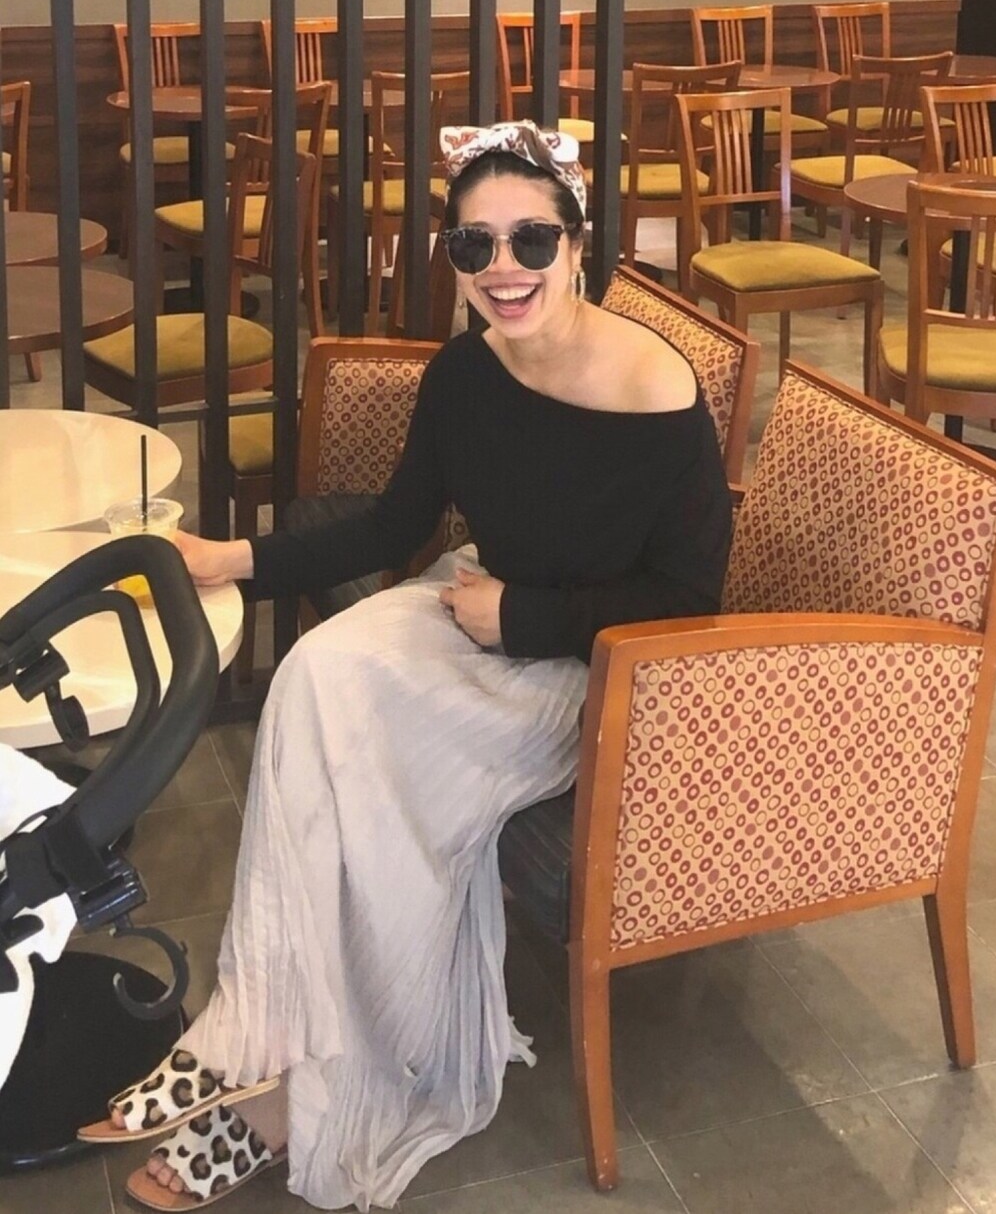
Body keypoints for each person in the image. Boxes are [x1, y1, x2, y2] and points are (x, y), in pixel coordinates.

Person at [79, 119, 733, 1211]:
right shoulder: (465, 373)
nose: (504, 269)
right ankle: (254, 1030)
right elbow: (392, 526)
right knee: (315, 681)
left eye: (531, 239)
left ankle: (296, 1103)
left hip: (589, 669)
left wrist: (521, 614)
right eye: (474, 246)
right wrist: (227, 557)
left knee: (389, 796)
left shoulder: (654, 393)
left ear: (580, 245)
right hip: (475, 609)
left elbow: (686, 600)